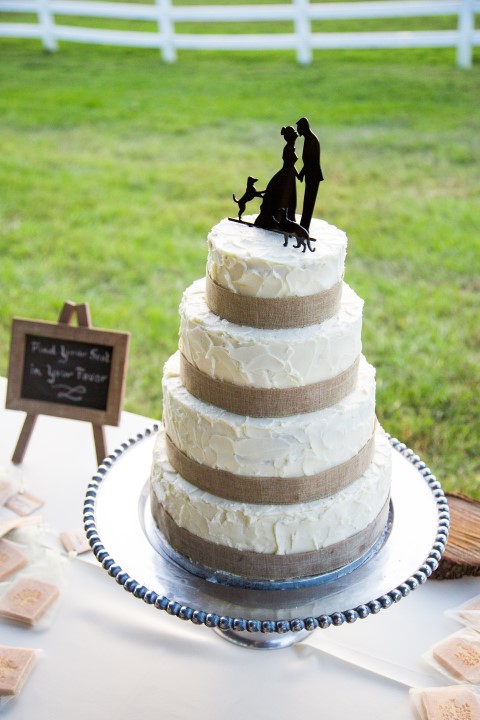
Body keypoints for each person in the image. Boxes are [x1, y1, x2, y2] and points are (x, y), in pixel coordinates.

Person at [254, 125, 299, 230]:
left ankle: (286, 220)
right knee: (283, 197)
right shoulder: (288, 148)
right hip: (286, 175)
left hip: (289, 175)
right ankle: (277, 219)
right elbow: (290, 164)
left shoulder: (291, 147)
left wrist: (298, 175)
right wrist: (297, 174)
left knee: (288, 198)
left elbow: (292, 165)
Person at [296, 117, 323, 232]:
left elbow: (310, 161)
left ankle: (304, 227)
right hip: (310, 175)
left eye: (299, 128)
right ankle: (303, 225)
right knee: (307, 201)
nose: (298, 131)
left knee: (309, 202)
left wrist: (301, 174)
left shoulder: (311, 140)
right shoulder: (308, 138)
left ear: (304, 127)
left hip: (313, 175)